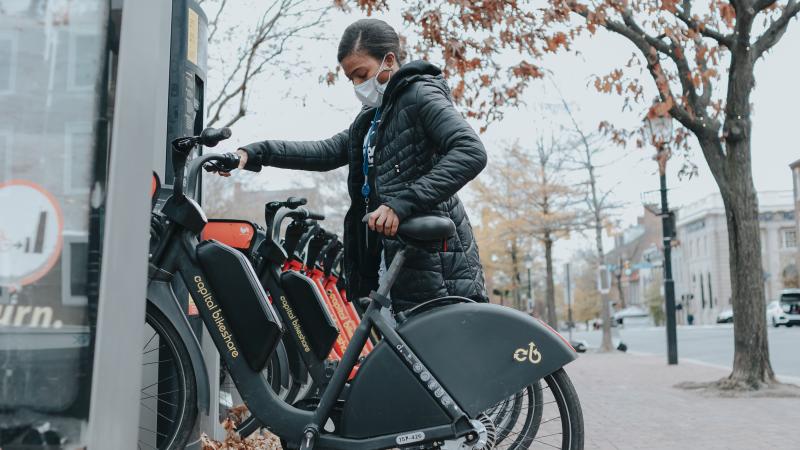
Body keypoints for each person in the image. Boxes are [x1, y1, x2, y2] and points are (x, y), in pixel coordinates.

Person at [230, 18, 488, 310]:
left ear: (389, 60)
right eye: (351, 79)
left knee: (432, 351)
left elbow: (470, 151)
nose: (357, 85)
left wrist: (401, 204)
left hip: (436, 264)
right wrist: (256, 153)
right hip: (395, 258)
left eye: (361, 74)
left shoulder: (420, 95)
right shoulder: (373, 117)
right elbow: (325, 152)